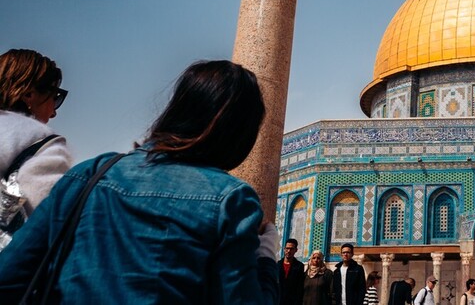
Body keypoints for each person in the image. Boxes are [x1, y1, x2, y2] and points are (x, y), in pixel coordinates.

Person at [0, 59, 280, 303]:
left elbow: (9, 278)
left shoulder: (87, 175)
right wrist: (266, 255)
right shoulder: (230, 200)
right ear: (239, 133)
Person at [0, 48, 72, 249]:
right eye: (55, 96)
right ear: (29, 94)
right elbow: (54, 220)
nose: (54, 112)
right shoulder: (42, 144)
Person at [281, 238, 306, 305]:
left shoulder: (299, 266)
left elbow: (299, 287)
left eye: (291, 249)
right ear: (284, 249)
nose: (289, 251)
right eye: (287, 248)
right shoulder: (277, 265)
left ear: (296, 250)